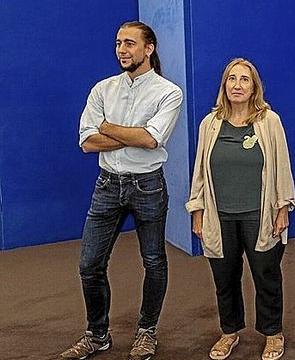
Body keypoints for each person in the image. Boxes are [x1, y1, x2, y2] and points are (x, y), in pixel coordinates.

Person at [64, 21, 183, 360]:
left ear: (149, 49)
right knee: (89, 264)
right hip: (107, 185)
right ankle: (97, 335)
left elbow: (151, 140)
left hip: (147, 186)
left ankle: (147, 332)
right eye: (118, 43)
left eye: (130, 43)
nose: (122, 50)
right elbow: (88, 143)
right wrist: (130, 134)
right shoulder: (102, 89)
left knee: (154, 261)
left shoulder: (168, 92)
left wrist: (106, 127)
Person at [186, 58, 295, 360]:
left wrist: (282, 207)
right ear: (224, 85)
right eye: (231, 79)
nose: (237, 85)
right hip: (219, 215)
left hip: (259, 215)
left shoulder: (269, 121)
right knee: (224, 278)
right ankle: (229, 332)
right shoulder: (209, 125)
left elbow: (283, 167)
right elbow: (199, 169)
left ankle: (273, 333)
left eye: (244, 80)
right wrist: (197, 210)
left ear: (254, 87)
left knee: (267, 276)